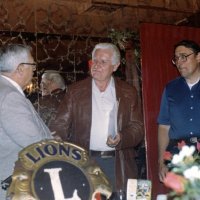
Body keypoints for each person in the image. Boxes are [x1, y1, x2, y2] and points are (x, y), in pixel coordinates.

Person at [49, 43, 144, 197]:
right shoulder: (75, 91)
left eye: (103, 62)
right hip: (86, 162)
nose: (96, 65)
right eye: (94, 60)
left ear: (115, 66)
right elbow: (60, 123)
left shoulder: (128, 92)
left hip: (118, 163)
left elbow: (138, 128)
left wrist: (122, 137)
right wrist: (57, 137)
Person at [0, 44, 53, 199]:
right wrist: (51, 143)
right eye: (32, 65)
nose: (34, 70)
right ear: (21, 68)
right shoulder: (10, 96)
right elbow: (34, 144)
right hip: (12, 185)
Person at [157, 40, 200, 183]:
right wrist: (162, 160)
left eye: (184, 56)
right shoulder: (171, 88)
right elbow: (164, 126)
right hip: (178, 155)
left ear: (198, 57)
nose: (179, 62)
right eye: (176, 58)